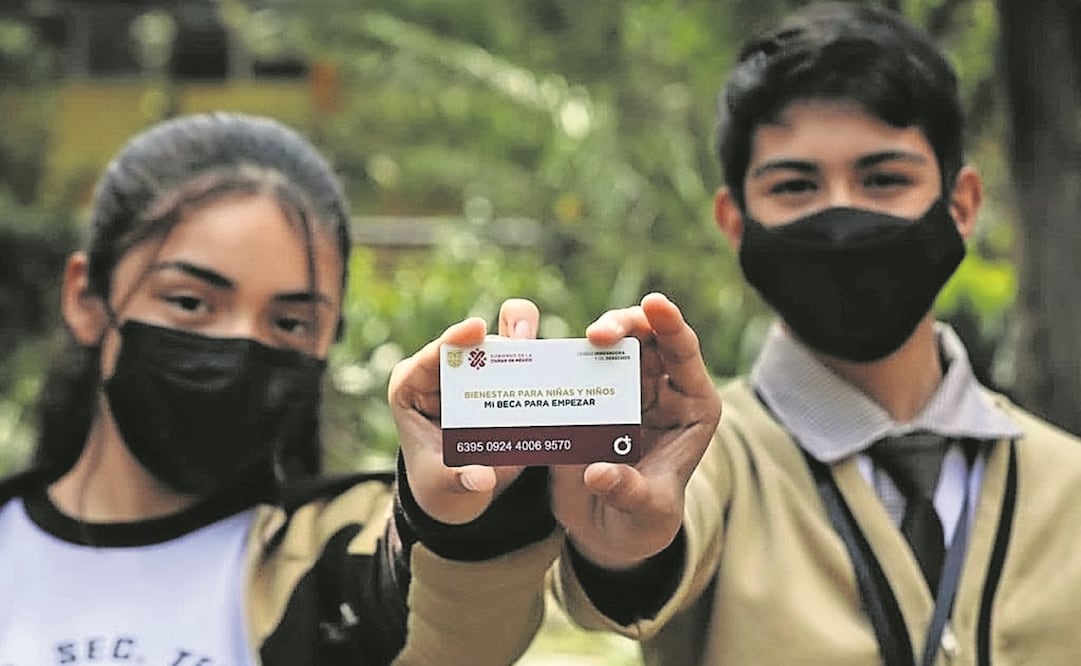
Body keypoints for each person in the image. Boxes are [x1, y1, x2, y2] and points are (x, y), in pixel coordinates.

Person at [547, 3, 1081, 665]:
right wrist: (623, 545)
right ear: (735, 222)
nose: (838, 215)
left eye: (884, 179)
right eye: (795, 185)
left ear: (960, 205)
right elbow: (649, 553)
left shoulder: (1069, 482)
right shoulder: (702, 458)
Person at [0, 112, 558, 666]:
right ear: (88, 299)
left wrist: (458, 515)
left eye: (291, 323)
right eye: (190, 302)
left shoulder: (328, 562)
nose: (242, 346)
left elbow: (445, 620)